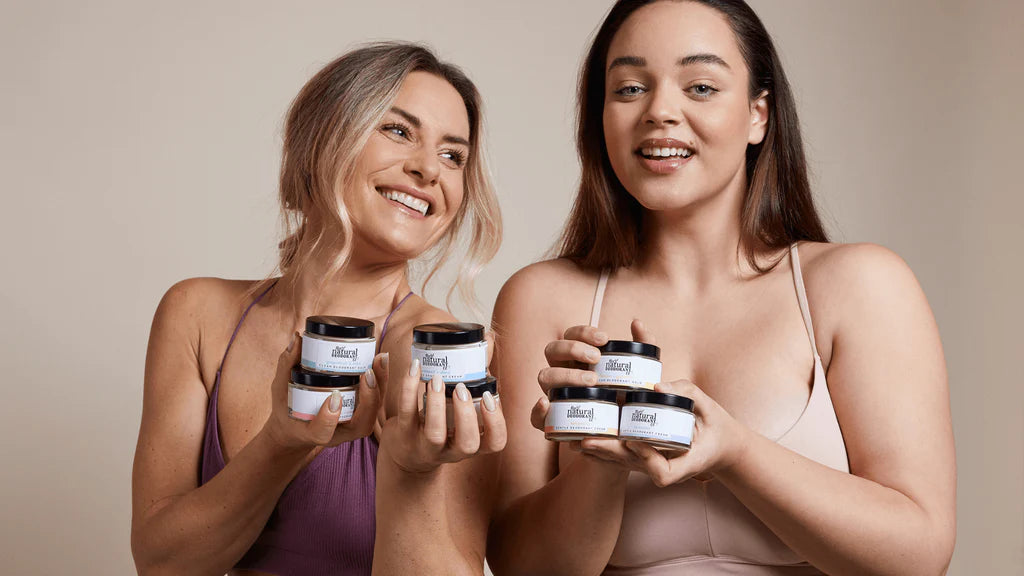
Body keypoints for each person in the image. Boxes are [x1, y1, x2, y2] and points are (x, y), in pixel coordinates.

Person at [488, 1, 955, 574]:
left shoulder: (859, 286)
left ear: (759, 115)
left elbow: (920, 555)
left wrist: (735, 452)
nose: (660, 111)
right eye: (630, 88)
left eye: (701, 86)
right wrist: (599, 461)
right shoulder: (542, 299)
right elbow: (518, 566)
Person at [131, 42, 505, 576]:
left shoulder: (438, 352)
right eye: (398, 130)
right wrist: (280, 444)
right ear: (321, 140)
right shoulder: (197, 314)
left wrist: (412, 472)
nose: (429, 170)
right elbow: (161, 563)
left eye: (454, 155)